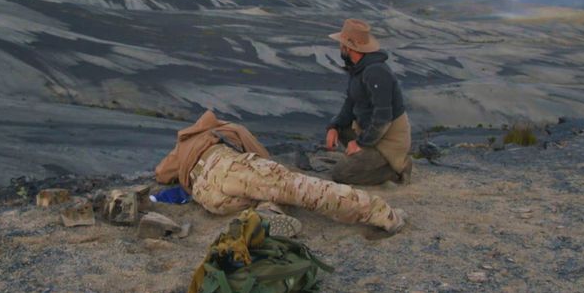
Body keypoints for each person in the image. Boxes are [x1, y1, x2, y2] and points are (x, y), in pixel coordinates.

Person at [155, 110, 405, 233]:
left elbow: (161, 175)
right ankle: (380, 212)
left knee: (267, 196)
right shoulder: (226, 130)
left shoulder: (183, 145)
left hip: (209, 197)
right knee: (301, 189)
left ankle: (266, 214)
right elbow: (260, 154)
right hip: (230, 169)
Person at [324, 18, 413, 186]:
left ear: (348, 47)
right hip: (370, 131)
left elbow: (383, 117)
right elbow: (350, 103)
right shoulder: (358, 68)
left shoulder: (376, 72)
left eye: (341, 44)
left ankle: (395, 169)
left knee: (340, 174)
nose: (340, 47)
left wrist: (360, 143)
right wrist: (333, 127)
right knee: (341, 128)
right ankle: (367, 161)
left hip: (388, 141)